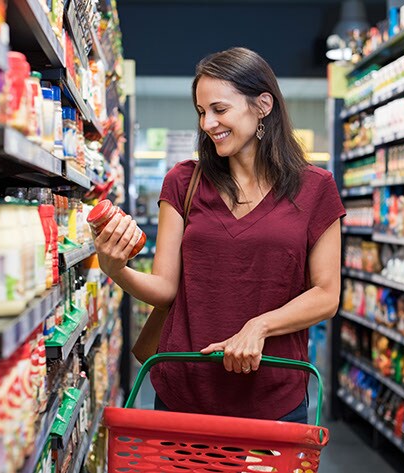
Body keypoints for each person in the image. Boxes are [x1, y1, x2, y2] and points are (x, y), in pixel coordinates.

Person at [93, 47, 345, 423]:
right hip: (186, 391)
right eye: (201, 112)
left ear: (263, 105)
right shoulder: (183, 181)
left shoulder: (315, 187)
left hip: (274, 395)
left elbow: (326, 294)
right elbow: (165, 288)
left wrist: (259, 326)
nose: (208, 123)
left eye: (219, 109)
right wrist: (116, 269)